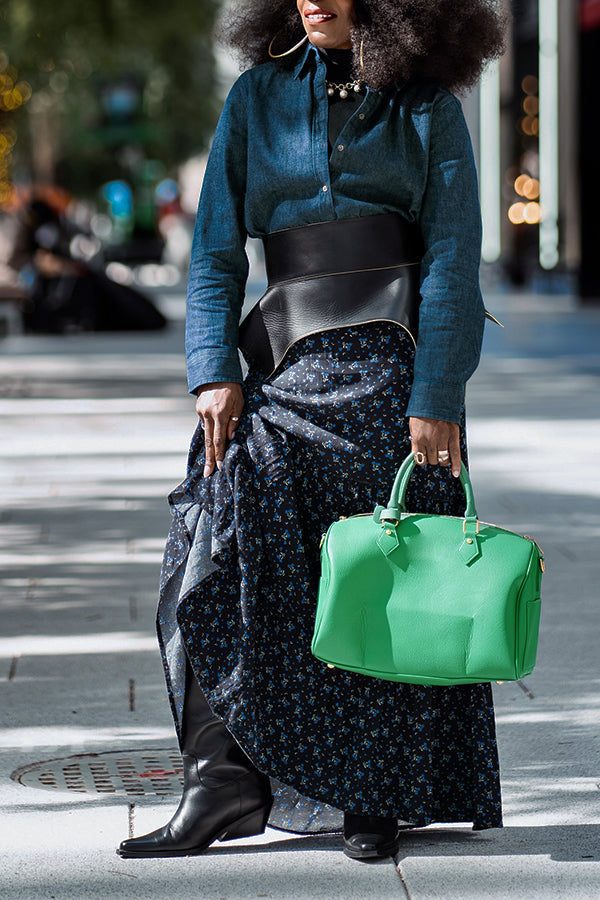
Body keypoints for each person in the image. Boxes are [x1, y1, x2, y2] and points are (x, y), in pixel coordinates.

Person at [118, 0, 506, 862]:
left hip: (393, 377)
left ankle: (376, 796)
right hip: (282, 369)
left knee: (383, 577)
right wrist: (212, 369)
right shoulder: (255, 97)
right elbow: (216, 249)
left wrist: (437, 391)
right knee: (216, 543)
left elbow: (451, 251)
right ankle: (222, 782)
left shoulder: (426, 107)